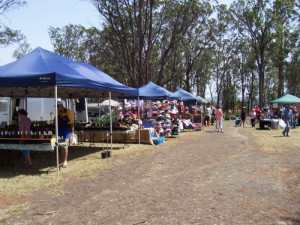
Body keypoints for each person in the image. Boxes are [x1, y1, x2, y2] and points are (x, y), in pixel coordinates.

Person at [56, 101, 74, 168]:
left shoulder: (68, 111)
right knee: (60, 146)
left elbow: (72, 122)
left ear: (61, 106)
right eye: (57, 107)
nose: (58, 108)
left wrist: (72, 132)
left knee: (65, 145)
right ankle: (62, 161)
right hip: (60, 131)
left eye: (58, 107)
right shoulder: (57, 112)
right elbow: (55, 121)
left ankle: (66, 161)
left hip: (66, 130)